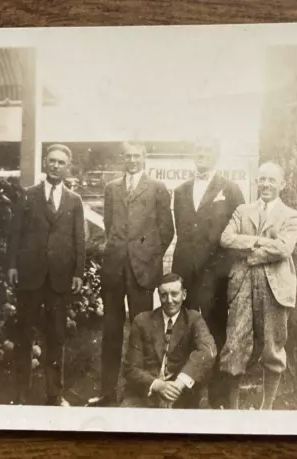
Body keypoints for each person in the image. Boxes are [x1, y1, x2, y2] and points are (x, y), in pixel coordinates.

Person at [95, 142, 175, 406]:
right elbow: (110, 227)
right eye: (128, 155)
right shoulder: (112, 188)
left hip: (142, 271)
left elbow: (167, 231)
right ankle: (107, 391)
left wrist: (148, 258)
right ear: (123, 158)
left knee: (141, 331)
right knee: (111, 330)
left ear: (145, 158)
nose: (132, 160)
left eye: (137, 156)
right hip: (114, 270)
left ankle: (138, 391)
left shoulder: (157, 188)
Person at [7, 144, 86, 406]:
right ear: (45, 163)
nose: (55, 166)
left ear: (68, 167)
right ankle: (20, 392)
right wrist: (12, 265)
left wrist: (78, 272)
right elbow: (15, 233)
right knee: (24, 335)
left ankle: (54, 394)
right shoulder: (28, 196)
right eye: (51, 161)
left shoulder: (74, 201)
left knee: (56, 336)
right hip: (30, 275)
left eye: (61, 162)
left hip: (59, 278)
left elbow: (79, 239)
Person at [218, 161, 297, 410]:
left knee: (273, 346)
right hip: (242, 284)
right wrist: (261, 241)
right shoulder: (243, 211)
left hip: (275, 286)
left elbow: (284, 248)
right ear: (256, 181)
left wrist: (250, 252)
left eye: (272, 180)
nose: (265, 184)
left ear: (282, 184)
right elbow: (226, 238)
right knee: (235, 344)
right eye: (262, 179)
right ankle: (233, 409)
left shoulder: (291, 215)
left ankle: (267, 409)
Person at [171, 139, 245, 408]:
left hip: (215, 274)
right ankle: (187, 391)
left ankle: (217, 395)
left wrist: (223, 269)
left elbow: (240, 229)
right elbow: (182, 229)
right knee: (185, 328)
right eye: (198, 151)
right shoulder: (180, 191)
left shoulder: (230, 189)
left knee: (215, 330)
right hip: (185, 272)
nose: (202, 155)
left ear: (216, 155)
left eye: (207, 151)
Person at [121, 273, 217, 408]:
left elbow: (208, 351)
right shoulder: (142, 321)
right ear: (159, 296)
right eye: (164, 295)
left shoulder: (194, 320)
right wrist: (158, 386)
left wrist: (178, 385)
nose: (169, 300)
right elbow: (131, 368)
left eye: (174, 294)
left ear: (184, 295)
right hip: (147, 392)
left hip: (182, 393)